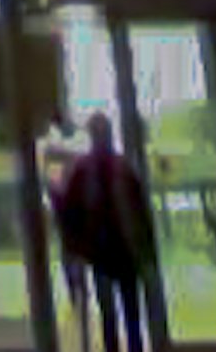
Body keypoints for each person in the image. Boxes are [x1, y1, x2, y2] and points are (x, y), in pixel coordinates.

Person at [49, 112, 157, 352]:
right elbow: (138, 209)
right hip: (114, 249)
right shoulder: (118, 168)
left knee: (116, 313)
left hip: (106, 249)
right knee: (125, 313)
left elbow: (70, 209)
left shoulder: (89, 170)